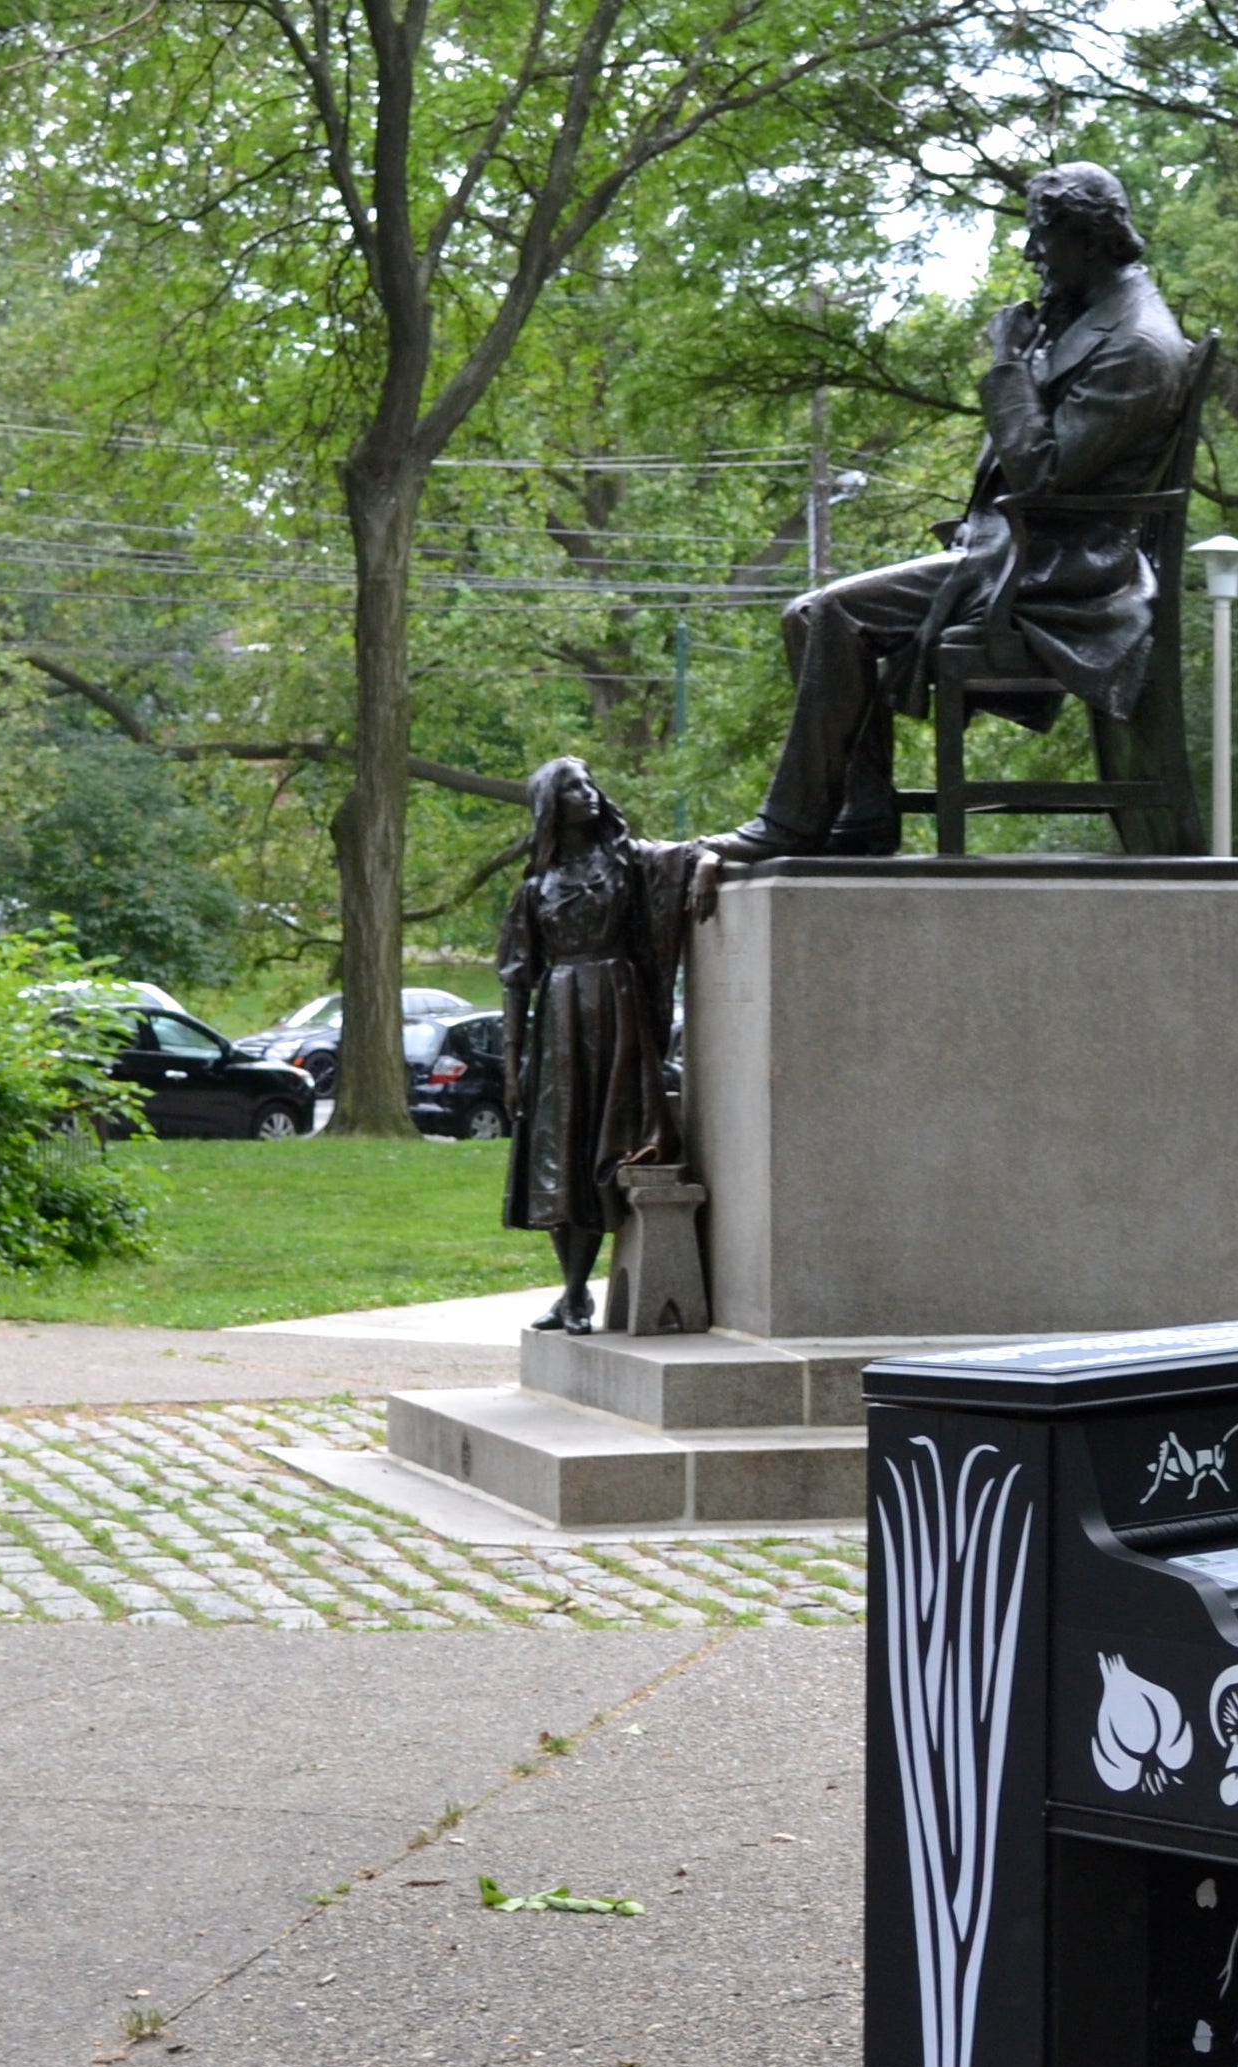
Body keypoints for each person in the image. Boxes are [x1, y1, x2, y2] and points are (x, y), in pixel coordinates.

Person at [708, 163, 1195, 862]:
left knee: (825, 614)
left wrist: (1007, 365)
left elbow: (1041, 471)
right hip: (1022, 552)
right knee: (812, 616)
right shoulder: (1095, 318)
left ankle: (796, 825)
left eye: (1042, 238)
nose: (1032, 256)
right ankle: (860, 814)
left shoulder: (1136, 345)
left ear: (1088, 240)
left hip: (1066, 575)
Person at [498, 757, 709, 1331]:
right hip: (559, 1025)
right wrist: (512, 1068)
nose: (588, 794)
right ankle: (572, 1293)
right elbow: (516, 982)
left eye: (590, 782)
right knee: (557, 1159)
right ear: (550, 806)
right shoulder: (534, 890)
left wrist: (708, 863)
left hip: (617, 1014)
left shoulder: (627, 863)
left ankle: (573, 1295)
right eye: (571, 788)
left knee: (600, 1149)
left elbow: (687, 856)